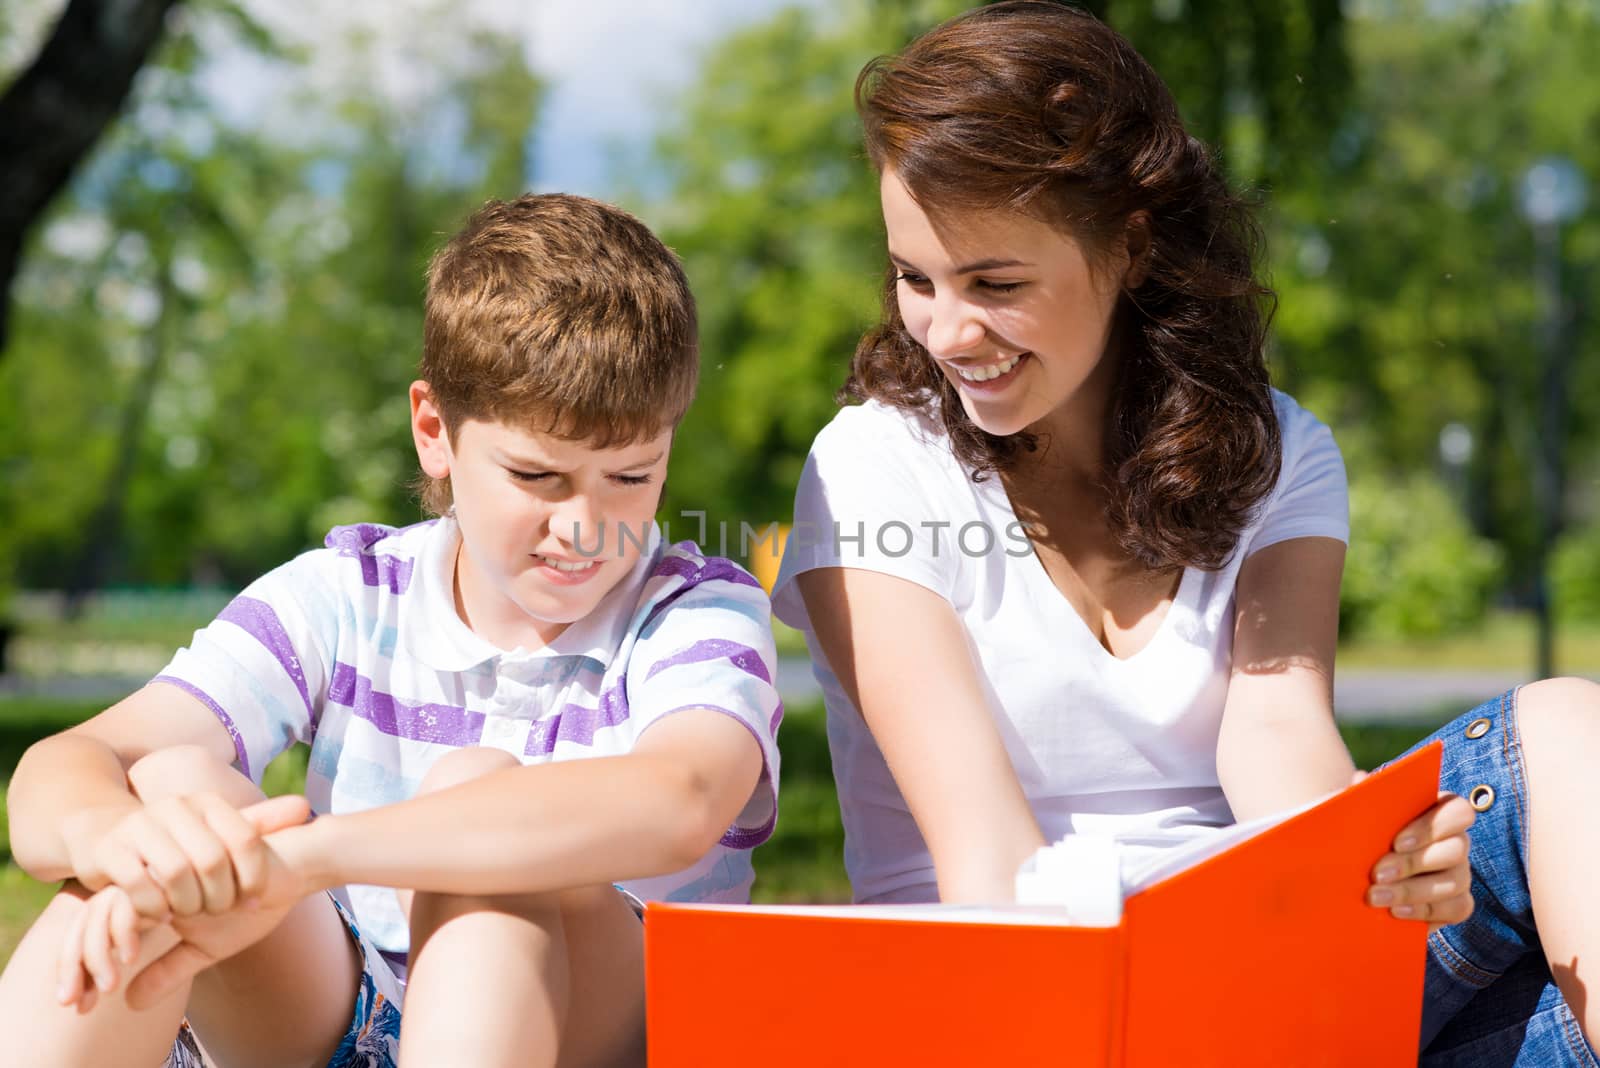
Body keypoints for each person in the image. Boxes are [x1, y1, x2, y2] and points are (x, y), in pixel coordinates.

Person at [770, 3, 1598, 1063]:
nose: (945, 330)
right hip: (1019, 991)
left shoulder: (1279, 452)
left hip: (1250, 971)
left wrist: (1379, 868)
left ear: (1129, 242)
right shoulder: (870, 468)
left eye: (995, 284)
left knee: (1564, 729)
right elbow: (984, 863)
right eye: (914, 277)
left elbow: (1278, 742)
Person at [0, 193, 783, 1067]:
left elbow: (679, 801)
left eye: (632, 477)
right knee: (174, 795)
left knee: (482, 824)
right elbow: (61, 770)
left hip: (604, 1030)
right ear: (433, 431)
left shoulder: (698, 611)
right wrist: (122, 845)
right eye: (538, 475)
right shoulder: (350, 594)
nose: (584, 527)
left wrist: (310, 858)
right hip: (345, 1016)